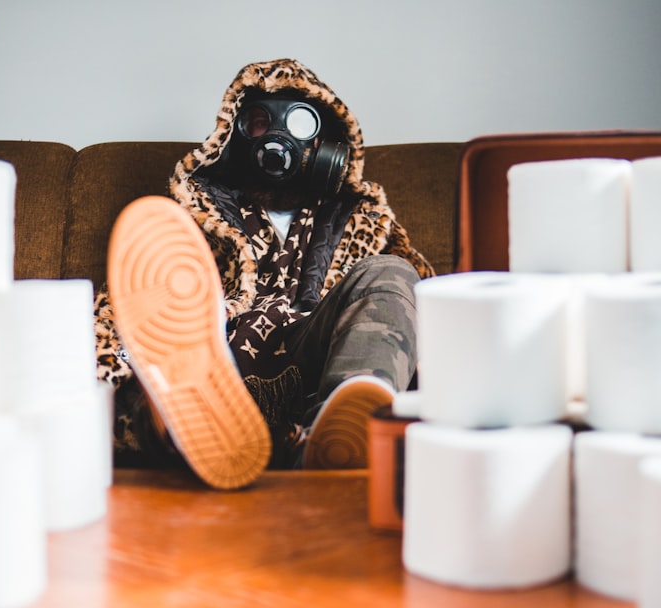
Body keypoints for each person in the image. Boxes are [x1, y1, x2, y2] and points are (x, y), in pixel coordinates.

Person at [94, 58, 433, 489]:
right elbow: (128, 306)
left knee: (392, 272)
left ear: (327, 144)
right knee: (157, 323)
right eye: (258, 122)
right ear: (233, 137)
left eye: (299, 123)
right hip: (220, 367)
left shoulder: (358, 218)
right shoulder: (193, 215)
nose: (276, 136)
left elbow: (418, 308)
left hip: (315, 360)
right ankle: (184, 424)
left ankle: (346, 419)